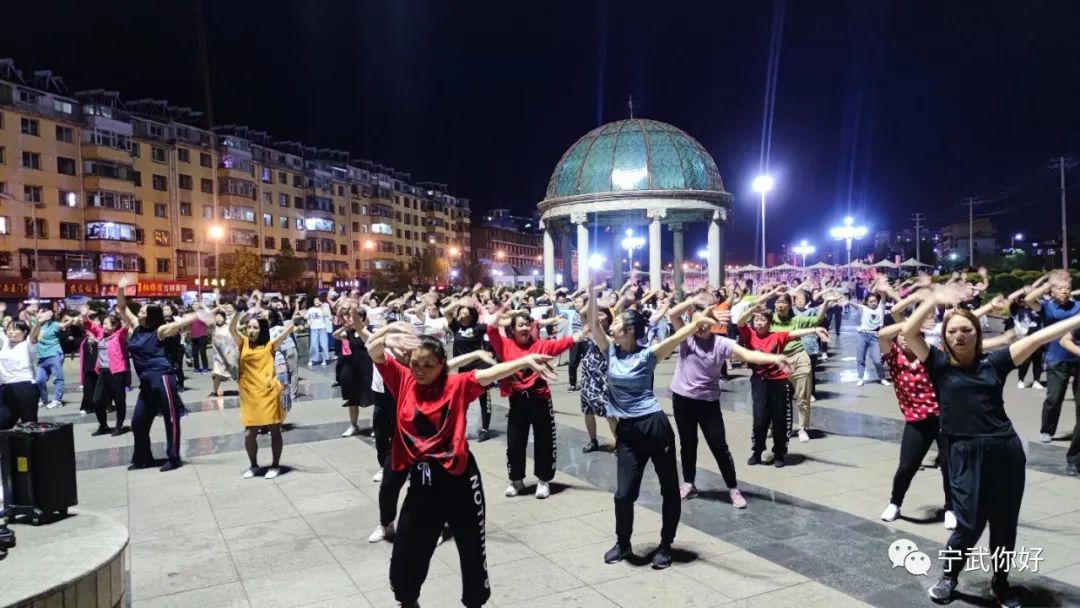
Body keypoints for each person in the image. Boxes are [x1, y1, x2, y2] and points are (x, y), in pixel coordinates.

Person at [903, 283, 1080, 607]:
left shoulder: (994, 363)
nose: (960, 336)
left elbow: (1039, 338)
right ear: (945, 337)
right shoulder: (938, 364)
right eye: (953, 331)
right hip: (962, 452)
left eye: (966, 330)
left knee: (1004, 524)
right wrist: (933, 299)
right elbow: (910, 331)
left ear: (977, 333)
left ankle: (1000, 582)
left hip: (1004, 451)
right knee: (967, 524)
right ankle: (949, 576)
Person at [367, 324, 558, 608]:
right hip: (422, 485)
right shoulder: (403, 379)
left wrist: (525, 360)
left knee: (472, 556)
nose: (420, 371)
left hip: (461, 484)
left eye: (428, 365)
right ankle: (409, 600)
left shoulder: (456, 385)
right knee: (404, 560)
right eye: (416, 364)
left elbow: (488, 374)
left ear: (442, 365)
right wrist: (388, 334)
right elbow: (374, 351)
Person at [592, 290, 717, 570]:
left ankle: (665, 545)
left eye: (617, 322)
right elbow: (594, 325)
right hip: (627, 431)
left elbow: (675, 338)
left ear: (629, 330)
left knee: (669, 489)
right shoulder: (610, 350)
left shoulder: (648, 355)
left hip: (654, 427)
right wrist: (591, 295)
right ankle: (622, 543)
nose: (612, 324)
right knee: (624, 494)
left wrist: (698, 321)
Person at [666, 294, 790, 507]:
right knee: (687, 443)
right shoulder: (686, 336)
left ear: (713, 324)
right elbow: (672, 314)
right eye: (698, 324)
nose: (701, 328)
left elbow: (749, 355)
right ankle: (688, 483)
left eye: (706, 324)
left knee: (719, 446)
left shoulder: (722, 343)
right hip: (682, 400)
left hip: (708, 403)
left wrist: (774, 358)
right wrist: (693, 303)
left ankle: (733, 488)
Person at [875, 289, 956, 529]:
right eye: (900, 336)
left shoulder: (930, 355)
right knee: (907, 466)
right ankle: (895, 503)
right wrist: (906, 326)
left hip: (943, 418)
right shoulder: (894, 358)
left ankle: (951, 508)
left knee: (949, 467)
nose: (903, 339)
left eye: (909, 336)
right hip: (917, 421)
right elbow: (882, 334)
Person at [487, 310, 584, 499]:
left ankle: (544, 480)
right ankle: (516, 480)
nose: (524, 328)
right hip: (517, 401)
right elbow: (491, 330)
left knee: (544, 441)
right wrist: (505, 312)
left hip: (540, 399)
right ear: (513, 329)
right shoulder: (505, 345)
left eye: (527, 325)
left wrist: (580, 335)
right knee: (514, 442)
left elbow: (561, 344)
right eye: (520, 325)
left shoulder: (541, 345)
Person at [122, 279, 209, 472]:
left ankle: (173, 458)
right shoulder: (136, 327)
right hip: (146, 383)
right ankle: (143, 458)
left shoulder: (160, 330)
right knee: (138, 422)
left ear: (150, 315)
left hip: (162, 378)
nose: (139, 312)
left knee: (171, 418)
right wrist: (121, 288)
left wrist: (199, 313)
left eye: (142, 310)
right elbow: (122, 307)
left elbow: (182, 323)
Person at [230, 307, 297, 479]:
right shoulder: (243, 343)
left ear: (262, 330)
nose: (251, 331)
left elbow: (286, 332)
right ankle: (253, 465)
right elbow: (232, 329)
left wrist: (294, 320)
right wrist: (238, 311)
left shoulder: (270, 345)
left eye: (255, 327)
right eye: (249, 327)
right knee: (249, 434)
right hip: (250, 396)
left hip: (268, 394)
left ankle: (275, 465)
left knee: (275, 430)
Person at [1023, 271, 1079, 443]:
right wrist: (1048, 284)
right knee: (1054, 398)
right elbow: (1028, 300)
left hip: (1077, 355)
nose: (1064, 291)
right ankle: (1047, 430)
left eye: (1067, 288)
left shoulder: (1078, 306)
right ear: (1053, 291)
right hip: (1057, 357)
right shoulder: (1047, 308)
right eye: (1060, 288)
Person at [445, 297, 494, 441]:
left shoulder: (478, 328)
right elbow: (446, 312)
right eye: (460, 312)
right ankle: (458, 428)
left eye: (465, 313)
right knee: (461, 400)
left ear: (471, 316)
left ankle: (485, 429)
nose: (461, 315)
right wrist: (458, 303)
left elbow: (495, 329)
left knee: (484, 398)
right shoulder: (456, 327)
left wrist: (493, 351)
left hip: (479, 367)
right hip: (462, 369)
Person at [79, 311, 130, 436]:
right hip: (103, 372)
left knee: (119, 401)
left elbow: (125, 328)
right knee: (97, 400)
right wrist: (85, 315)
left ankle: (119, 426)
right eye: (103, 323)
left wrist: (124, 315)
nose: (103, 326)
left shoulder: (119, 336)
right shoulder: (101, 333)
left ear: (114, 326)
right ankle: (103, 426)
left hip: (117, 372)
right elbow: (89, 325)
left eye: (106, 323)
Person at [335, 304, 374, 437]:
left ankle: (376, 425)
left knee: (372, 398)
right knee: (353, 398)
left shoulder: (369, 331)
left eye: (353, 317)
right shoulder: (348, 333)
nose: (350, 319)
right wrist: (345, 327)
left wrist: (361, 328)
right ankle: (353, 425)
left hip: (367, 367)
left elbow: (371, 340)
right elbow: (335, 335)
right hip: (351, 368)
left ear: (361, 318)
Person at [0, 321, 43, 429]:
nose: (11, 332)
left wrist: (39, 323)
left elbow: (33, 335)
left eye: (15, 329)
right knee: (2, 423)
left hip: (24, 387)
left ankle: (31, 440)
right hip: (5, 387)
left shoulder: (28, 344)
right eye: (9, 329)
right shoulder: (5, 342)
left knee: (29, 424)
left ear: (24, 332)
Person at [33, 305, 71, 409]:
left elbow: (64, 325)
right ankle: (44, 399)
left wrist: (71, 319)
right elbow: (32, 337)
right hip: (42, 357)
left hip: (54, 354)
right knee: (39, 380)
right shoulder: (37, 325)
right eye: (39, 313)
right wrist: (37, 320)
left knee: (58, 378)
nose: (40, 315)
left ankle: (57, 400)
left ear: (49, 315)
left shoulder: (54, 324)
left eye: (43, 313)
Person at [853, 287, 892, 387]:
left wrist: (882, 290)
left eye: (875, 301)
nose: (873, 303)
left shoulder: (880, 308)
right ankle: (860, 378)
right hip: (862, 335)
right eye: (871, 302)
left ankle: (882, 378)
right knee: (860, 358)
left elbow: (883, 297)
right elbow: (854, 305)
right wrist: (847, 302)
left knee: (877, 359)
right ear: (867, 303)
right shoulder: (864, 308)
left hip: (874, 336)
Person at [210, 310, 238, 397]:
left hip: (230, 353)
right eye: (216, 317)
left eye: (220, 317)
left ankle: (242, 387)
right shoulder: (213, 328)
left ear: (224, 318)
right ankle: (216, 389)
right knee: (217, 372)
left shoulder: (229, 327)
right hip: (218, 354)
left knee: (235, 370)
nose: (218, 319)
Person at [306, 297, 330, 366]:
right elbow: (306, 317)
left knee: (323, 344)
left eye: (318, 300)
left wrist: (322, 307)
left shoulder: (323, 308)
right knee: (313, 344)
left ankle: (325, 359)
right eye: (315, 300)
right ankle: (312, 359)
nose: (316, 302)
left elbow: (327, 315)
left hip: (322, 328)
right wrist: (308, 322)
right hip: (313, 328)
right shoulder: (311, 309)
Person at [189, 302, 211, 373]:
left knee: (202, 352)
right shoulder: (191, 315)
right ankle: (196, 368)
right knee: (194, 353)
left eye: (196, 304)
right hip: (193, 336)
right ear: (192, 306)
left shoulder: (203, 314)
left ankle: (205, 367)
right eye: (194, 304)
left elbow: (208, 322)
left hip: (202, 335)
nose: (195, 306)